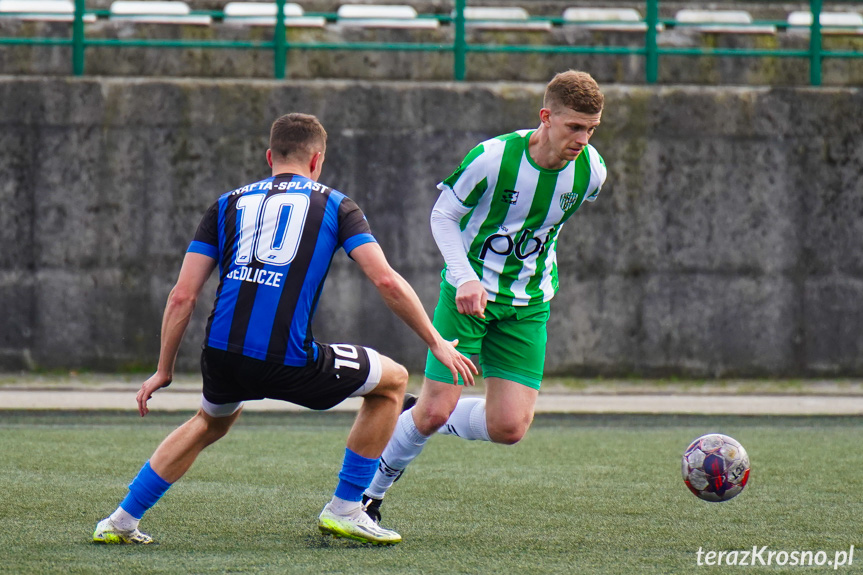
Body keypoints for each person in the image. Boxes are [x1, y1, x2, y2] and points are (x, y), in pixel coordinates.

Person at [92, 113, 477, 547]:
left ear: (269, 156)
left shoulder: (226, 204)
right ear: (318, 160)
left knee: (208, 422)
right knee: (393, 381)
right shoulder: (336, 204)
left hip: (222, 353)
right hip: (286, 357)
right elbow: (386, 280)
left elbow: (182, 296)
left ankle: (120, 520)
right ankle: (347, 508)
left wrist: (163, 369)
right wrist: (436, 341)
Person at [362, 70, 607, 524]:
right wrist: (466, 276)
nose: (583, 138)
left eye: (591, 128)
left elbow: (542, 231)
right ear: (546, 117)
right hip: (467, 300)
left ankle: (424, 410)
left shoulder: (591, 171)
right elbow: (443, 215)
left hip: (528, 305)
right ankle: (368, 496)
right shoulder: (493, 159)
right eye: (575, 126)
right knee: (434, 412)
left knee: (509, 428)